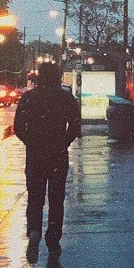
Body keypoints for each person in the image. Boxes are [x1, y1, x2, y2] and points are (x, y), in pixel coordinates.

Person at [13, 62, 81, 256]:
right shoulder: (65, 98)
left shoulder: (28, 98)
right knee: (56, 198)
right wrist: (63, 142)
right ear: (57, 77)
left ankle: (34, 231)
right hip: (58, 154)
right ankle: (53, 240)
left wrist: (31, 142)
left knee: (35, 197)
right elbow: (75, 127)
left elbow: (18, 128)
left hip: (35, 155)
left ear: (39, 77)